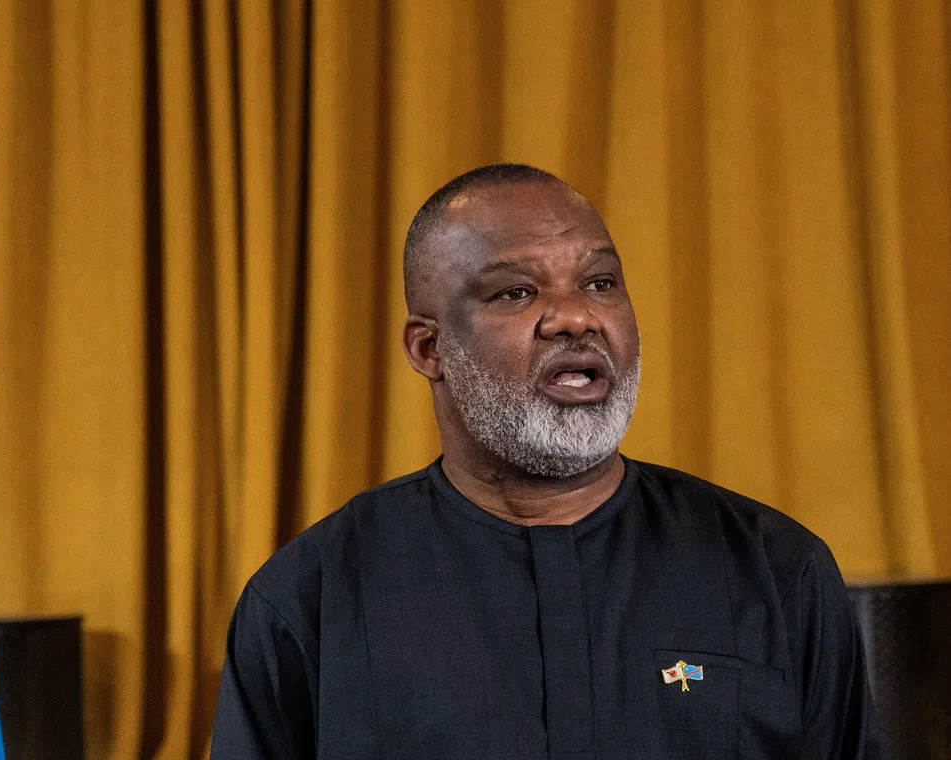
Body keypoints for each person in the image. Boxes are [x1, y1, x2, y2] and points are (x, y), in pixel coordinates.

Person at [210, 164, 882, 759]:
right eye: (517, 293)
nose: (575, 318)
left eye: (599, 282)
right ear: (428, 350)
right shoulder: (310, 597)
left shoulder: (774, 569)